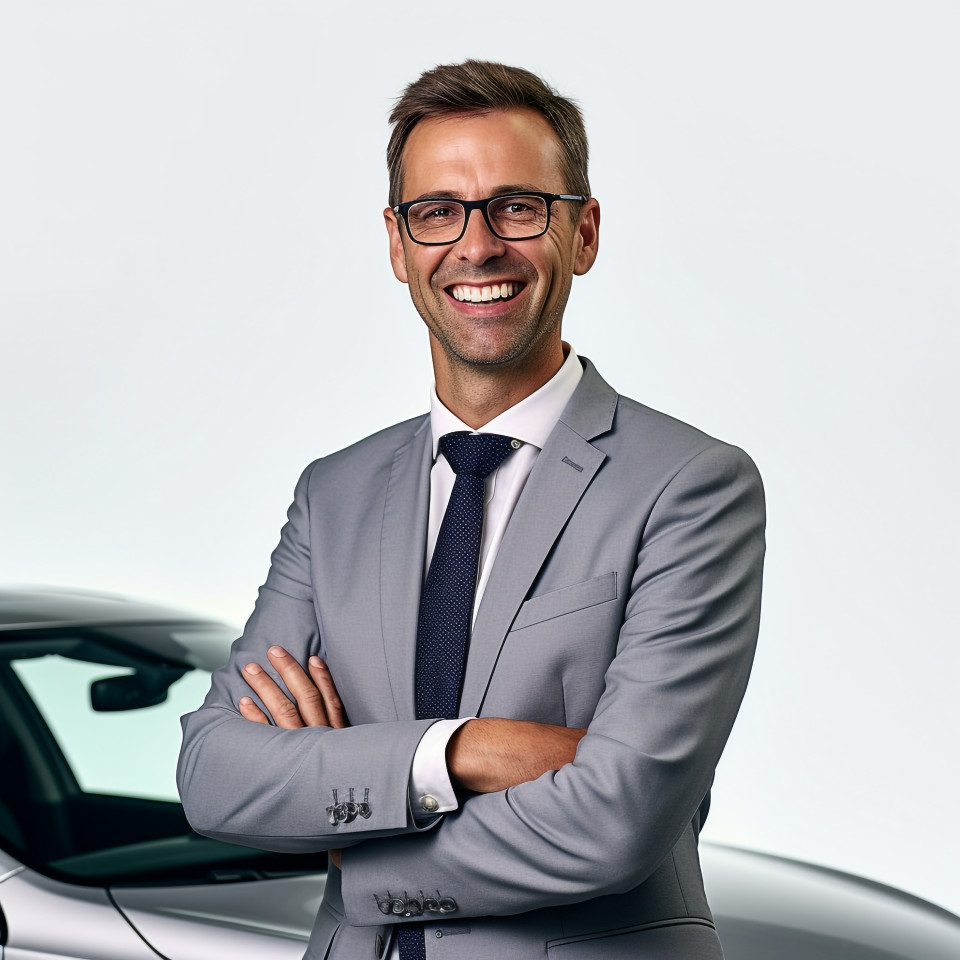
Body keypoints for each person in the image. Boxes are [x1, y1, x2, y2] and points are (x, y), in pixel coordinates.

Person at [178, 60, 765, 960]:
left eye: (517, 207)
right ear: (398, 243)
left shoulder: (689, 486)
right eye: (437, 212)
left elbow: (620, 819)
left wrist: (352, 841)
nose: (477, 246)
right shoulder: (334, 495)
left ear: (584, 233)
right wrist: (462, 752)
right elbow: (215, 775)